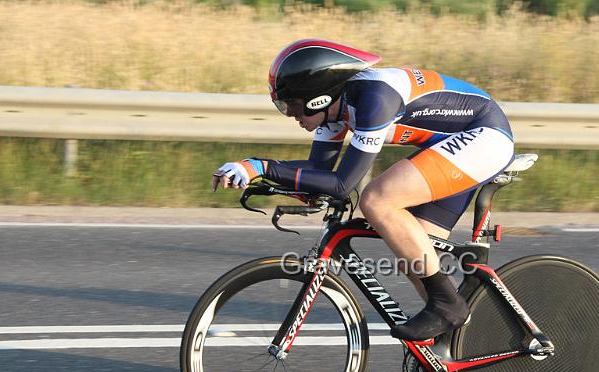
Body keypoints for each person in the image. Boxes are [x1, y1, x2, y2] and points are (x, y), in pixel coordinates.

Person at [212, 38, 514, 342]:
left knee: (377, 200)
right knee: (415, 254)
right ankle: (461, 351)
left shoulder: (373, 99)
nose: (292, 115)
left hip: (483, 137)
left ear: (318, 98)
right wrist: (258, 174)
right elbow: (318, 172)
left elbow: (343, 185)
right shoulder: (335, 109)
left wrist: (263, 167)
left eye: (292, 105)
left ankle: (449, 307)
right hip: (449, 146)